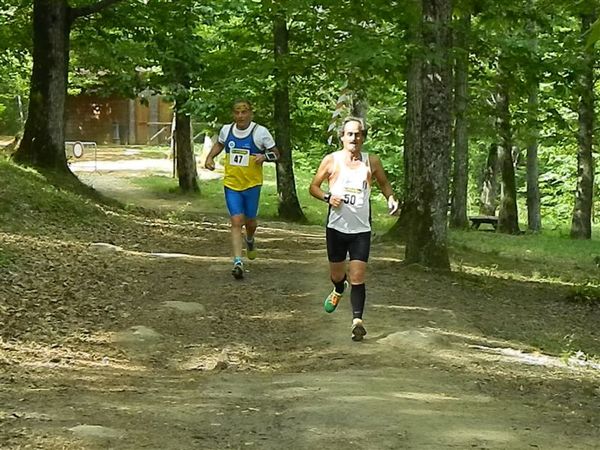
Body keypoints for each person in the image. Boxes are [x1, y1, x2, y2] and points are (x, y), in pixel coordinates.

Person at [309, 116, 398, 341]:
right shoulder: (331, 160)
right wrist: (328, 198)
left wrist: (390, 198)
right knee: (337, 274)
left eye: (358, 134)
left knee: (358, 275)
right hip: (336, 228)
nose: (354, 138)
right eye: (349, 134)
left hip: (361, 230)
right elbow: (313, 187)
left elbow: (384, 183)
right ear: (342, 137)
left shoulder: (372, 162)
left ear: (363, 137)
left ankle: (357, 321)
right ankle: (339, 288)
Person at [205, 99, 279, 279]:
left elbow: (276, 153)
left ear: (250, 113)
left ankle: (250, 239)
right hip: (232, 183)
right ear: (233, 114)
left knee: (250, 222)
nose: (240, 116)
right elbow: (220, 144)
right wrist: (210, 158)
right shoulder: (226, 130)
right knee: (236, 220)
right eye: (237, 112)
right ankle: (238, 261)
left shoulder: (260, 132)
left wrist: (265, 156)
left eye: (244, 112)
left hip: (252, 184)